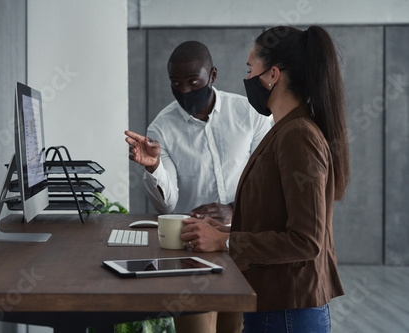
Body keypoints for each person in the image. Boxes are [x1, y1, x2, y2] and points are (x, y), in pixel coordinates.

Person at [180, 26, 349, 332]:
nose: (246, 79)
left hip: (288, 310)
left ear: (272, 75)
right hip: (276, 305)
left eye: (250, 69)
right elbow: (279, 215)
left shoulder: (298, 136)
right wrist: (227, 228)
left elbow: (306, 240)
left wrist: (225, 241)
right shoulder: (284, 130)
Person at [125, 41, 272, 332]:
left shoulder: (249, 113)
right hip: (192, 250)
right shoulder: (161, 129)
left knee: (237, 327)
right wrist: (154, 167)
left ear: (212, 76)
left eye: (194, 82)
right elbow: (167, 205)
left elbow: (268, 177)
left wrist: (233, 208)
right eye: (176, 83)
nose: (185, 91)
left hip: (241, 242)